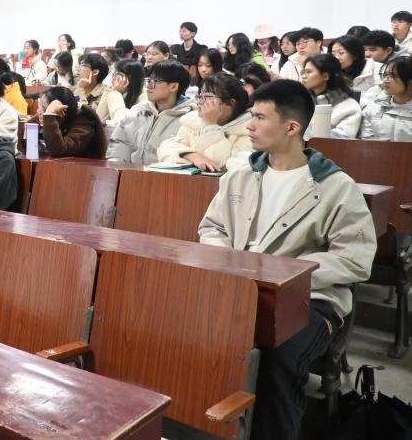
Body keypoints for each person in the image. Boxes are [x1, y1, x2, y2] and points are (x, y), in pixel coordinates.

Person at [198, 80, 375, 440]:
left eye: (260, 118)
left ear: (292, 127)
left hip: (310, 299)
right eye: (251, 116)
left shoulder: (335, 186)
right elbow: (212, 227)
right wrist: (227, 259)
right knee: (186, 334)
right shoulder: (240, 177)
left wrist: (289, 274)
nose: (249, 125)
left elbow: (355, 259)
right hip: (240, 286)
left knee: (277, 358)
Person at [157, 72, 252, 171]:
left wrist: (211, 125)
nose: (199, 102)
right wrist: (191, 155)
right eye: (199, 96)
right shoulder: (193, 121)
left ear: (230, 103)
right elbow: (165, 148)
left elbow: (221, 166)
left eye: (206, 97)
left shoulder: (249, 130)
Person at [107, 60, 194, 164]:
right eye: (149, 80)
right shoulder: (136, 112)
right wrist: (117, 169)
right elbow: (118, 149)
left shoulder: (190, 120)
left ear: (173, 86)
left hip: (166, 173)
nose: (149, 86)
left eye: (155, 81)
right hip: (130, 172)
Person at [301, 54, 362, 139]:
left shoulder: (349, 107)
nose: (303, 76)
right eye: (303, 72)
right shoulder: (302, 103)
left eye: (309, 72)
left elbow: (339, 140)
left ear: (325, 76)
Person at [38, 86, 107, 158]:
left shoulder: (84, 124)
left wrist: (49, 115)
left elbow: (57, 150)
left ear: (61, 111)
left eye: (44, 108)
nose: (38, 111)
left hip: (82, 164)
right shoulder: (59, 120)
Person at [360, 56, 412, 141]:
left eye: (393, 76)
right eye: (385, 75)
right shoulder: (373, 108)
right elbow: (366, 140)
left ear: (410, 81)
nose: (386, 80)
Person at [361, 30, 409, 106]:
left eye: (372, 50)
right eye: (365, 50)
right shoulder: (370, 64)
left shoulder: (405, 66)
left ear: (388, 50)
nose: (367, 54)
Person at [75, 53, 124, 123]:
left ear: (95, 72)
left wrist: (80, 89)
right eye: (79, 65)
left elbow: (85, 117)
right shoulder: (73, 88)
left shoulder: (106, 94)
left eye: (83, 65)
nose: (78, 69)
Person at [109, 59, 145, 124]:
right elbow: (101, 118)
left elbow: (123, 122)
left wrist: (115, 92)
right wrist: (111, 90)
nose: (114, 78)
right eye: (115, 73)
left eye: (119, 74)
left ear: (131, 77)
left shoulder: (144, 96)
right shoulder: (123, 91)